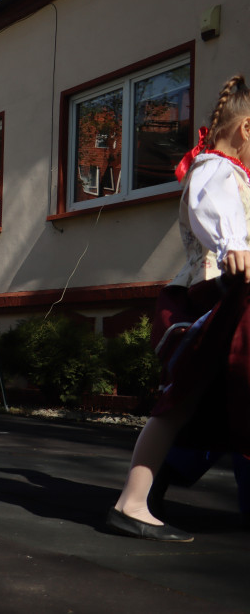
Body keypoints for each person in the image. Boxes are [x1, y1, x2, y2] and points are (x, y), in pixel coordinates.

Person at [109, 74, 250, 542]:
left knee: (199, 401)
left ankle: (147, 489)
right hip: (216, 296)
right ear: (246, 129)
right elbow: (216, 214)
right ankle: (132, 501)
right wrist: (234, 244)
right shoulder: (215, 169)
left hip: (232, 295)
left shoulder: (231, 172)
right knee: (183, 397)